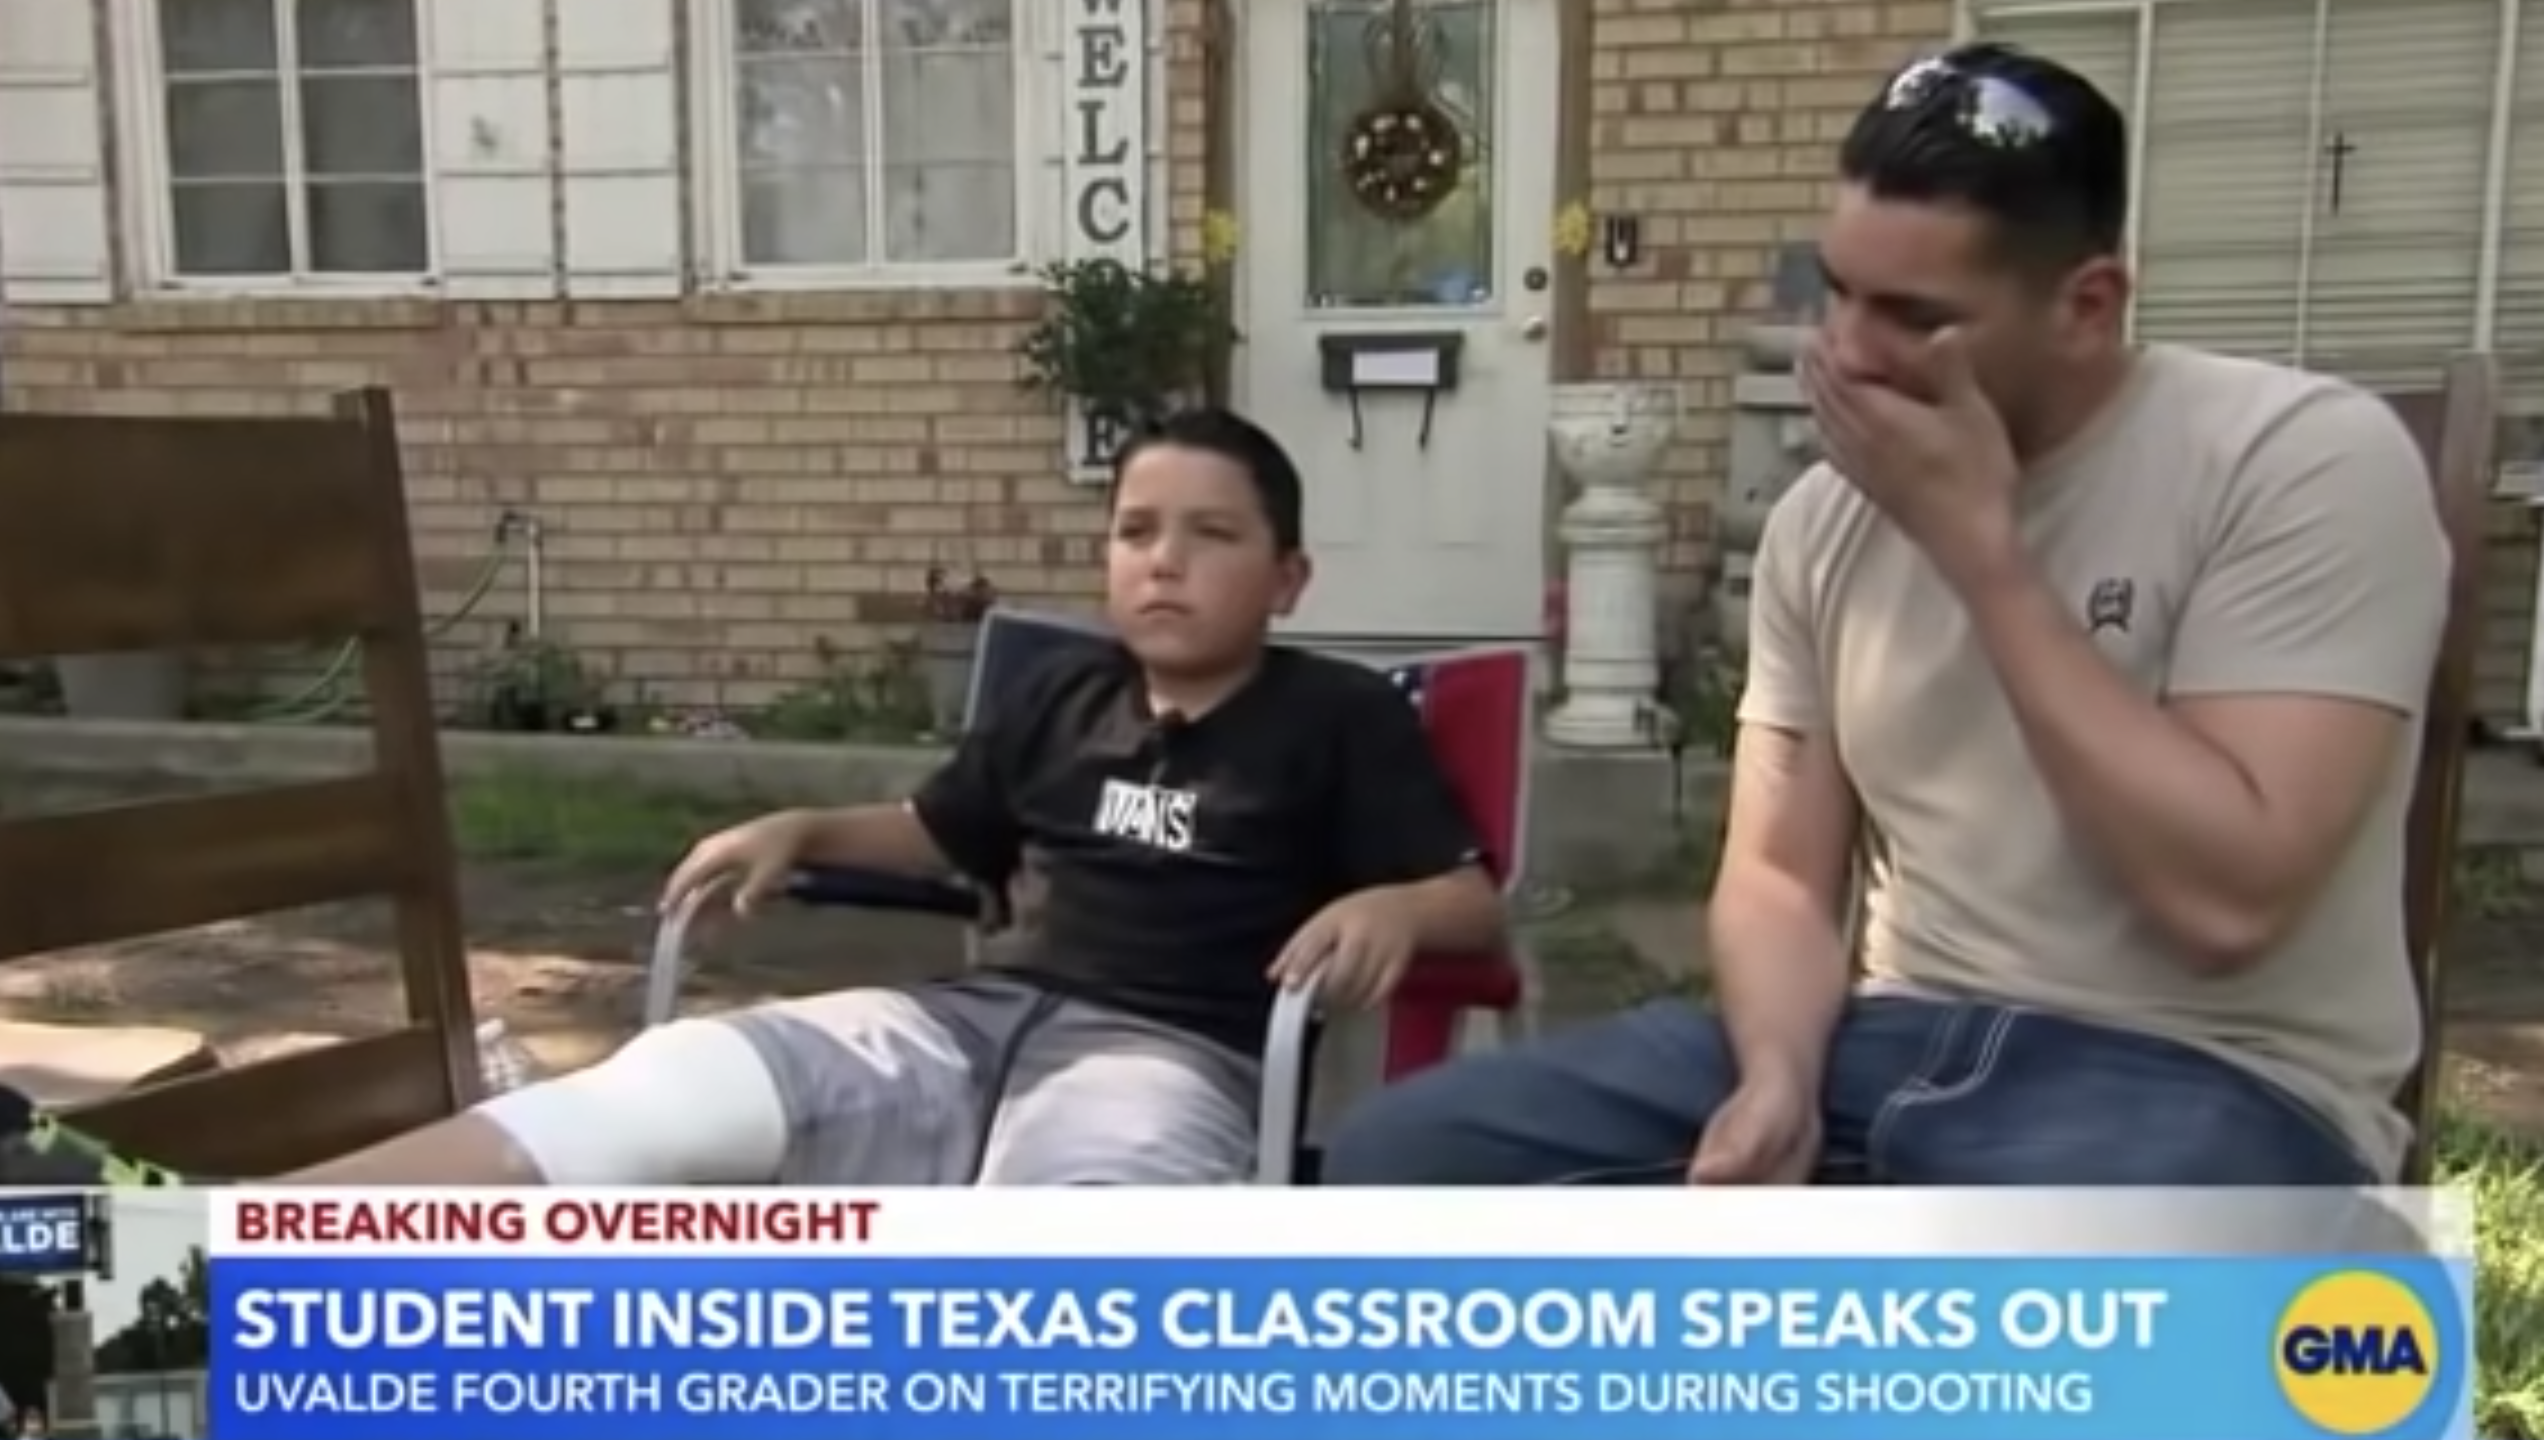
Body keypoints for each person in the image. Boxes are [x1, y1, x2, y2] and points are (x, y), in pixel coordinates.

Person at [1324, 44, 2448, 1188]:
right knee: (1406, 1160)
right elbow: (1775, 875)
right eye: (1838, 291)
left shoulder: (2294, 461)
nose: (1846, 352)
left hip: (2203, 1080)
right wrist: (1775, 1074)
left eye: (1914, 315)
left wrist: (1984, 557)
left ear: (2086, 306)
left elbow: (2226, 905)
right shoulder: (1824, 522)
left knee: (2072, 1286)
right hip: (1883, 1043)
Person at [0, 408, 1505, 1188]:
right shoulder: (1065, 695)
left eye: (1210, 536)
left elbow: (1467, 892)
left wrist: (1390, 899)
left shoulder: (1336, 719)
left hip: (1165, 1062)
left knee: (1074, 1269)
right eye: (1134, 531)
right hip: (962, 1024)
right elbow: (940, 835)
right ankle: (239, 1253)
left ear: (1288, 574)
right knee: (660, 1090)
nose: (1161, 563)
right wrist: (804, 830)